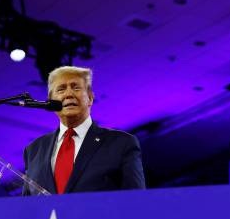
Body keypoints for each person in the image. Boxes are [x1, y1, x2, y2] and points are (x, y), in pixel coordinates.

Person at [23, 66, 145, 194]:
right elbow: (27, 205)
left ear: (90, 98)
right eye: (61, 89)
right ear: (50, 102)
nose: (69, 94)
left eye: (76, 87)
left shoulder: (121, 143)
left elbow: (136, 200)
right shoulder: (34, 149)